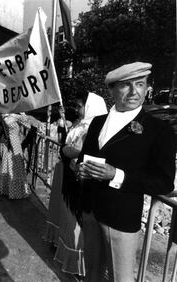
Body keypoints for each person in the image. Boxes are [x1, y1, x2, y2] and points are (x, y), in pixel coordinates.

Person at [77, 62, 176, 281]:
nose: (134, 92)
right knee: (91, 272)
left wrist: (117, 175)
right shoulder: (97, 122)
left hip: (121, 217)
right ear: (112, 90)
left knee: (120, 277)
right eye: (125, 85)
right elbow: (85, 158)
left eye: (140, 84)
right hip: (90, 210)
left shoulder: (159, 130)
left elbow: (164, 182)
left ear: (147, 87)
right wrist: (81, 170)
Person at [43, 91, 107, 277]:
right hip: (67, 172)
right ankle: (61, 246)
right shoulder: (82, 124)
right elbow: (69, 144)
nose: (78, 110)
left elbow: (78, 150)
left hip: (79, 178)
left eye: (80, 106)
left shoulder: (95, 127)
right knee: (64, 213)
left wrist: (65, 150)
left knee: (75, 220)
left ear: (90, 107)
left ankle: (79, 263)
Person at [0, 113, 32, 199]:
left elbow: (29, 124)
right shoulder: (9, 117)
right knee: (14, 165)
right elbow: (29, 125)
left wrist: (20, 116)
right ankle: (14, 191)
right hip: (12, 143)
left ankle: (5, 189)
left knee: (9, 165)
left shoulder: (5, 116)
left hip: (9, 143)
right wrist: (19, 116)